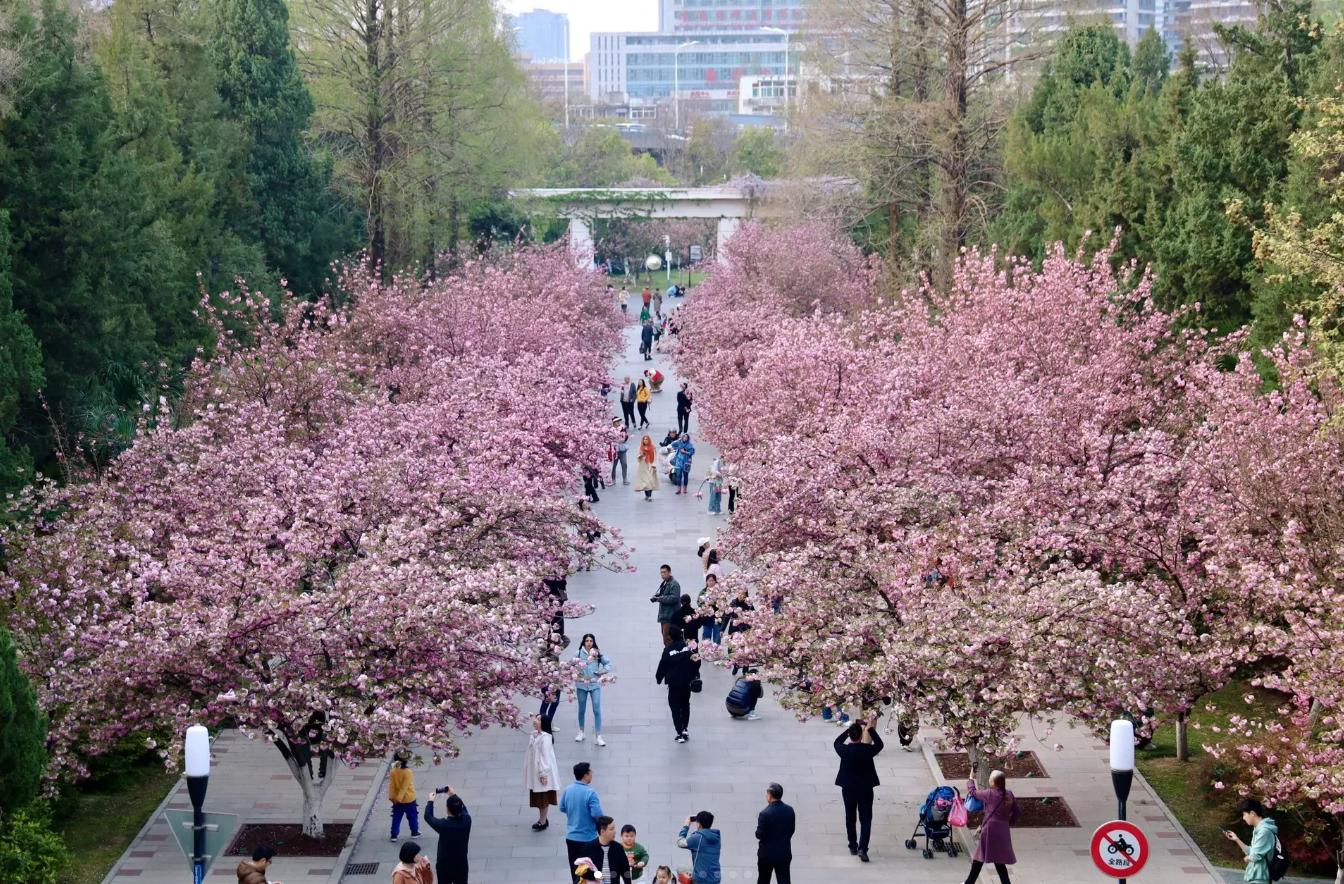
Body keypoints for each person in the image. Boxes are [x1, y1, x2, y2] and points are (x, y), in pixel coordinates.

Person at [834, 714, 884, 862]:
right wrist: (870, 729)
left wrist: (849, 729)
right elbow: (880, 744)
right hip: (865, 789)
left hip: (848, 788)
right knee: (866, 819)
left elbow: (836, 742)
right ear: (861, 736)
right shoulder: (867, 750)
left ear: (850, 736)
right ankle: (863, 848)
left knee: (850, 817)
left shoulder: (844, 750)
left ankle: (852, 845)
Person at [963, 770, 1022, 884]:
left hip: (989, 830)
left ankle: (969, 882)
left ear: (993, 782)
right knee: (998, 860)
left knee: (979, 857)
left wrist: (971, 778)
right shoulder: (1009, 794)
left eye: (990, 779)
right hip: (1002, 830)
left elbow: (973, 792)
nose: (989, 780)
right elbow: (1018, 812)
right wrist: (1008, 823)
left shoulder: (990, 793)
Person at [656, 625, 701, 742]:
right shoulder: (689, 648)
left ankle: (679, 732)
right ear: (681, 635)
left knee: (675, 707)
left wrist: (659, 678)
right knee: (685, 705)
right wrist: (694, 672)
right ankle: (685, 728)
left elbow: (663, 665)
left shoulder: (668, 650)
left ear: (670, 637)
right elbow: (697, 661)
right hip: (686, 682)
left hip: (674, 683)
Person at [561, 762, 605, 872]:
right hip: (588, 838)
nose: (592, 774)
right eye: (590, 772)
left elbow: (562, 808)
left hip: (571, 837)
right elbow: (597, 815)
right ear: (585, 775)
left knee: (576, 870)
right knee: (591, 870)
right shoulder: (590, 793)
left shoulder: (567, 790)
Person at [1223, 798, 1278, 884]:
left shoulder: (1264, 831)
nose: (1244, 818)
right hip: (1255, 877)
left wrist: (1247, 858)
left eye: (1244, 814)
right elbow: (1252, 851)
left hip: (1260, 878)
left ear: (1252, 813)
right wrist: (1236, 839)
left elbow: (1255, 856)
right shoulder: (1258, 829)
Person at [424, 787, 471, 884]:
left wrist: (430, 801)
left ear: (447, 809)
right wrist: (454, 795)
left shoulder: (444, 825)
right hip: (461, 862)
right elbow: (463, 809)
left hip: (444, 864)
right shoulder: (467, 820)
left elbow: (428, 817)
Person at [574, 633, 610, 746]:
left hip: (595, 684)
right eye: (587, 641)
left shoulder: (597, 653)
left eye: (591, 641)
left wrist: (602, 672)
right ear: (583, 642)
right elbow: (572, 665)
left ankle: (598, 735)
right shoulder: (578, 653)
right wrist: (577, 673)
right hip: (581, 685)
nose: (589, 643)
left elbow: (607, 663)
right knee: (581, 708)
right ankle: (581, 731)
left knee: (596, 708)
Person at [755, 783, 795, 884]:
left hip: (767, 855)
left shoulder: (765, 813)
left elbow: (759, 834)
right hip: (784, 852)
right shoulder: (789, 810)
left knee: (763, 880)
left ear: (770, 795)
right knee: (784, 880)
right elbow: (791, 830)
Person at [526, 714, 560, 830]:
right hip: (536, 772)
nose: (535, 720)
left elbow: (545, 758)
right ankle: (543, 819)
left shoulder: (545, 738)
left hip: (542, 772)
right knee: (539, 796)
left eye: (538, 719)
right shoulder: (535, 735)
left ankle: (543, 820)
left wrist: (543, 774)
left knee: (543, 796)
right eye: (536, 718)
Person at [580, 815, 632, 884]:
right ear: (602, 831)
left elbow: (625, 870)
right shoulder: (588, 848)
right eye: (611, 829)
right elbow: (581, 871)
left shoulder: (618, 848)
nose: (615, 832)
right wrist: (595, 875)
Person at [676, 811, 722, 884]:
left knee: (680, 869)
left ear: (699, 824)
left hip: (701, 879)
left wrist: (686, 826)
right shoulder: (716, 837)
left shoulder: (698, 837)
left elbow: (680, 842)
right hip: (715, 878)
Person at [388, 749, 421, 841]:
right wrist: (399, 798)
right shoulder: (408, 772)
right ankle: (414, 832)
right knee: (412, 816)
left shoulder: (393, 771)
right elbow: (405, 787)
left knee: (396, 817)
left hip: (396, 800)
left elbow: (392, 785)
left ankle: (394, 835)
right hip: (409, 799)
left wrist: (392, 797)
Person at [651, 564, 682, 645]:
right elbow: (666, 595)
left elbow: (675, 598)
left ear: (669, 572)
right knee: (665, 638)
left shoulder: (674, 584)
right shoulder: (665, 583)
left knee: (668, 639)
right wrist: (658, 596)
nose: (662, 574)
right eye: (661, 573)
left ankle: (670, 656)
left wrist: (660, 598)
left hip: (670, 616)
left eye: (664, 572)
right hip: (665, 616)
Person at [698, 573, 724, 645]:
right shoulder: (703, 592)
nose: (711, 582)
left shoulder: (720, 592)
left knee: (717, 638)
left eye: (712, 580)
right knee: (706, 637)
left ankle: (717, 653)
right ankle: (706, 652)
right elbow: (699, 603)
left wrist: (715, 603)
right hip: (707, 618)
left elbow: (723, 604)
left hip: (717, 618)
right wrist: (705, 605)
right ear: (706, 582)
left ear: (715, 582)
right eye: (709, 581)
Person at [634, 435, 660, 501]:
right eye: (644, 439)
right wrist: (641, 456)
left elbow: (655, 456)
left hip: (650, 465)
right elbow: (638, 456)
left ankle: (649, 496)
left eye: (646, 439)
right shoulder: (641, 447)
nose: (645, 440)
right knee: (645, 482)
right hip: (643, 466)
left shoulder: (653, 447)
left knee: (650, 481)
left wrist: (654, 464)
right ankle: (647, 495)